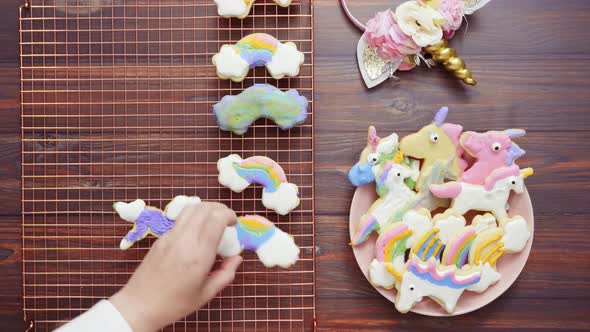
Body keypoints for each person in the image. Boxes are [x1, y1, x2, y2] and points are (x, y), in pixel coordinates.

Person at [56, 202, 243, 332]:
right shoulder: (144, 220)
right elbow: (136, 233)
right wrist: (137, 308)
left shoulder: (147, 217)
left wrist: (135, 308)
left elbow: (137, 233)